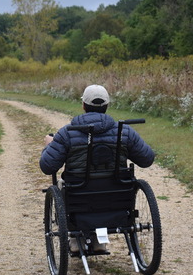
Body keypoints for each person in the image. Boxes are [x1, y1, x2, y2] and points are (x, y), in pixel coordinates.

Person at [40, 84, 155, 253]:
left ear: (84, 106)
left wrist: (48, 146)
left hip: (79, 196)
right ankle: (98, 240)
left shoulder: (67, 133)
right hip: (117, 198)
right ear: (107, 106)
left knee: (63, 186)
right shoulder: (124, 132)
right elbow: (147, 159)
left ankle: (76, 238)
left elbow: (47, 166)